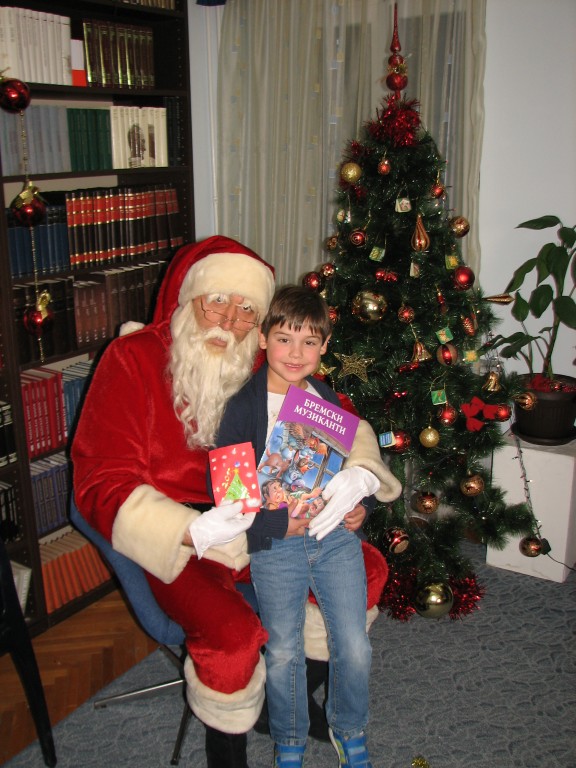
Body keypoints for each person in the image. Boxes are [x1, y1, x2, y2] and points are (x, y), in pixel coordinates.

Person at [71, 236, 402, 768]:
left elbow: (340, 422)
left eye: (247, 309)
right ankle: (228, 752)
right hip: (185, 536)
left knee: (368, 568)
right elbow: (99, 481)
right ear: (190, 298)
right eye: (218, 301)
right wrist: (191, 530)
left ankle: (284, 705)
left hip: (267, 520)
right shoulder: (133, 359)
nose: (230, 320)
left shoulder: (264, 361)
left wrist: (358, 480)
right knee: (232, 638)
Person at [213, 285, 398, 768]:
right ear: (263, 339)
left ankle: (348, 729)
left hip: (333, 537)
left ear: (325, 346)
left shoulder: (324, 398)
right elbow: (231, 497)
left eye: (310, 342)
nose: (296, 354)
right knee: (283, 650)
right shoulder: (240, 407)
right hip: (275, 544)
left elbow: (352, 465)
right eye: (284, 339)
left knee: (354, 644)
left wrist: (361, 508)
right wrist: (277, 524)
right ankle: (290, 739)